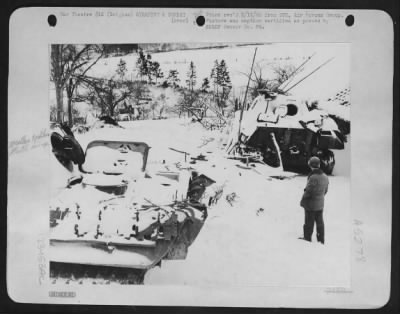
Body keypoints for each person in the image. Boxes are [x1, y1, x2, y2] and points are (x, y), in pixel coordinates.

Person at [299, 156, 329, 244]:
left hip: (311, 204)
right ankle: (321, 239)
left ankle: (307, 238)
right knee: (320, 222)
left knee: (309, 222)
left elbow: (308, 191)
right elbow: (325, 191)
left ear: (310, 165)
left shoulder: (312, 177)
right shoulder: (325, 176)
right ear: (319, 165)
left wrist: (303, 201)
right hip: (320, 203)